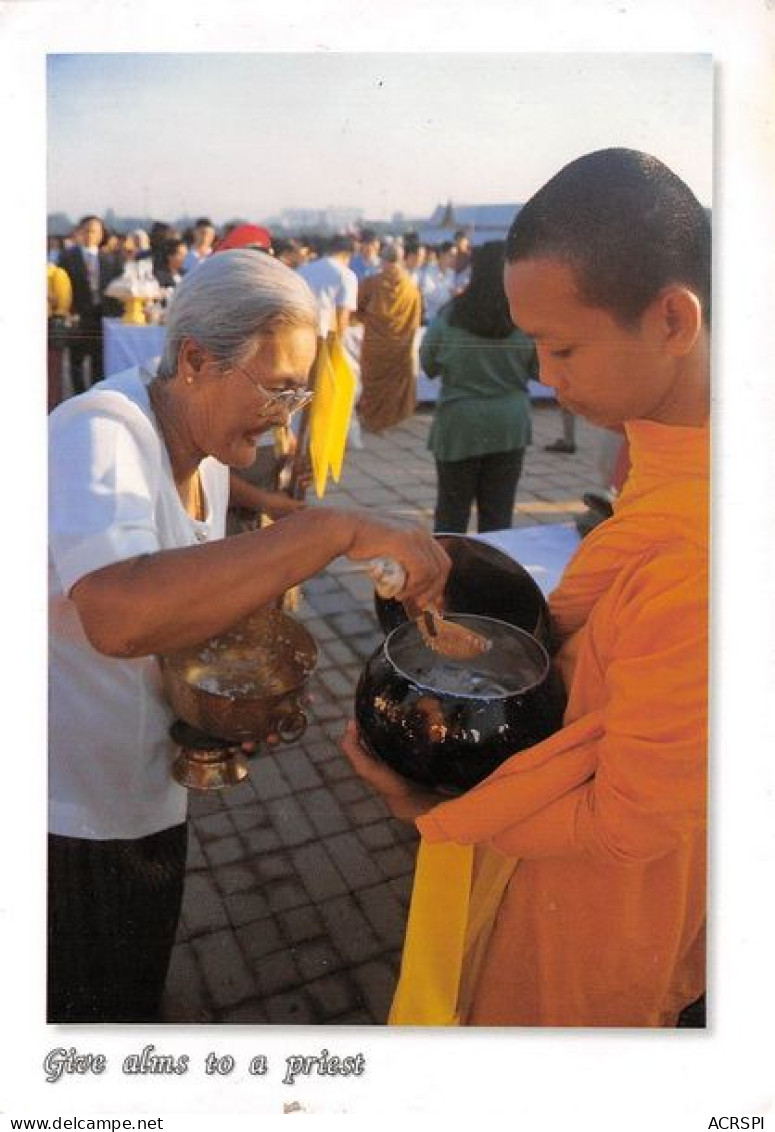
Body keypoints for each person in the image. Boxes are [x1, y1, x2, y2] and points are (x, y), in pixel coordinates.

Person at [342, 147, 710, 1028]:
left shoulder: (708, 555)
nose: (547, 375)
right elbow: (607, 620)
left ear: (671, 318)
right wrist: (472, 586)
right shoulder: (665, 449)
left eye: (565, 345)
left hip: (599, 912)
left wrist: (437, 809)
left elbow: (629, 824)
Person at [48, 248, 450, 1023]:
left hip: (137, 791)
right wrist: (331, 527)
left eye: (302, 390)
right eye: (278, 388)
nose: (289, 412)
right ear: (195, 358)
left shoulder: (203, 452)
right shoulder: (99, 433)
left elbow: (194, 584)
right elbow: (119, 614)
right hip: (67, 816)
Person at [420, 240, 537, 533]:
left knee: (451, 514)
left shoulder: (450, 315)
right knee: (499, 514)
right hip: (509, 424)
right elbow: (540, 370)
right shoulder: (526, 318)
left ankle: (447, 575)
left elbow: (428, 364)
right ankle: (493, 576)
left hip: (460, 423)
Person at [355, 243, 422, 434]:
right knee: (393, 386)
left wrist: (367, 319)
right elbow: (415, 318)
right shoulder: (411, 286)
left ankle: (373, 420)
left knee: (373, 385)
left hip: (375, 345)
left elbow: (355, 307)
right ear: (401, 260)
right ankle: (390, 420)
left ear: (383, 260)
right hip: (400, 345)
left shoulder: (372, 282)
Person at [57, 215, 122, 392]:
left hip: (101, 318)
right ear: (79, 232)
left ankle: (95, 398)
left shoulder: (110, 260)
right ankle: (78, 399)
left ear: (101, 235)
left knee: (99, 363)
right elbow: (62, 288)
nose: (90, 235)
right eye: (87, 230)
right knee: (76, 363)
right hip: (77, 317)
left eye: (95, 231)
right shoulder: (67, 258)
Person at [298, 233, 358, 340]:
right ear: (347, 255)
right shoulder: (346, 275)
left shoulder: (302, 270)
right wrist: (339, 342)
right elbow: (342, 316)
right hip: (325, 337)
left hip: (300, 335)